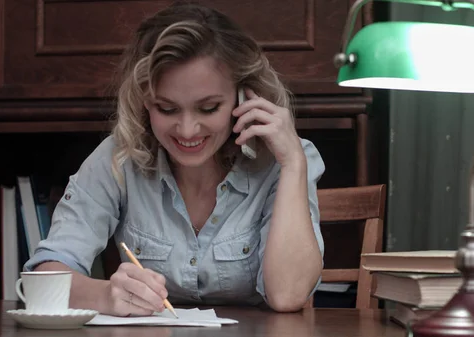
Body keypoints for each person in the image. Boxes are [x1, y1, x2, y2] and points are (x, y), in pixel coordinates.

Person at [24, 2, 325, 316]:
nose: (187, 130)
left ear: (244, 95)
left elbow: (288, 296)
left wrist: (292, 162)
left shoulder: (286, 161)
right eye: (166, 109)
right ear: (143, 102)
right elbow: (44, 279)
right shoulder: (120, 157)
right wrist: (105, 295)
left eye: (208, 108)